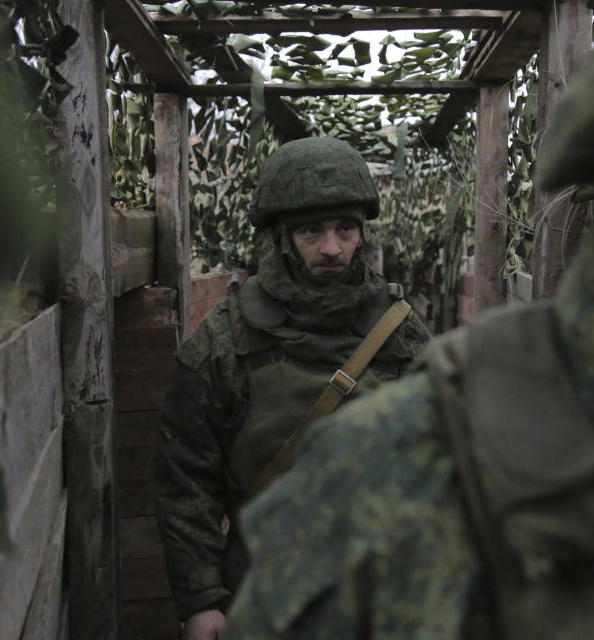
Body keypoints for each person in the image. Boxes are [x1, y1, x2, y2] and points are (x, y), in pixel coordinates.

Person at [226, 1, 594, 638]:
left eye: (344, 229)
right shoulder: (405, 471)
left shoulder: (392, 325)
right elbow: (186, 468)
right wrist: (201, 592)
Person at [155, 137, 431, 640]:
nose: (331, 248)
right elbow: (186, 480)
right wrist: (200, 600)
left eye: (345, 229)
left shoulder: (399, 336)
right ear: (282, 238)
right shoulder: (225, 340)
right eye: (311, 231)